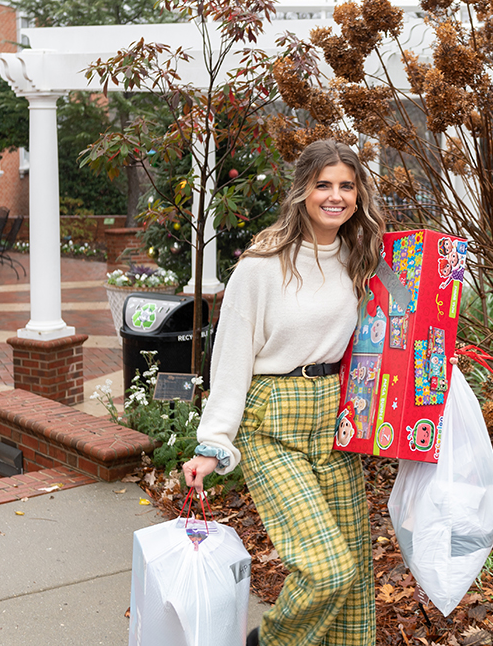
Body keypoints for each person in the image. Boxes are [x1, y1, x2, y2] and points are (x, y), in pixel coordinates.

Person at [182, 138, 386, 646]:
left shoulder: (361, 259)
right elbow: (231, 356)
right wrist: (214, 440)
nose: (335, 196)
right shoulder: (262, 265)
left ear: (358, 194)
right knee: (327, 570)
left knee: (355, 582)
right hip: (273, 421)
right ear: (302, 192)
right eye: (323, 185)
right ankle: (267, 642)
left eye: (346, 185)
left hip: (336, 418)